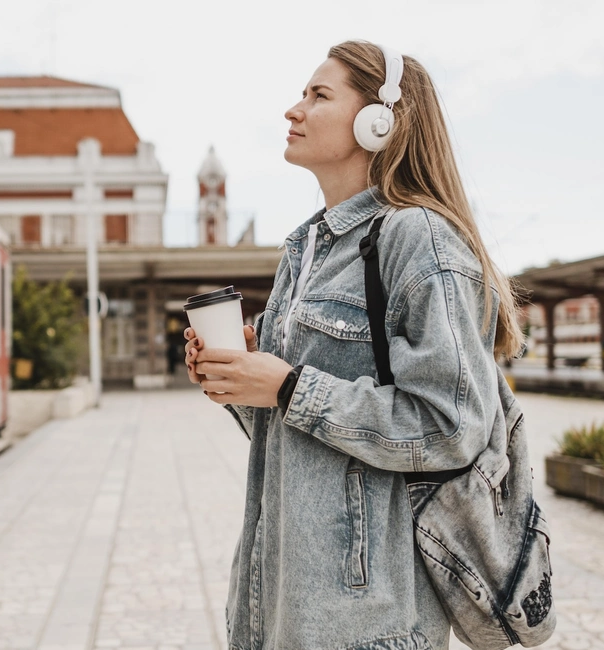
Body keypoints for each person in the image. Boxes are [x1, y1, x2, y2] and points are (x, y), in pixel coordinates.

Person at [183, 40, 524, 650]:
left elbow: (451, 426)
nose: (293, 109)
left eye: (318, 95)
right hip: (278, 605)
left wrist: (288, 385)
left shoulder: (418, 239)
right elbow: (295, 434)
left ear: (380, 119)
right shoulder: (306, 249)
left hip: (367, 622)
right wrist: (241, 382)